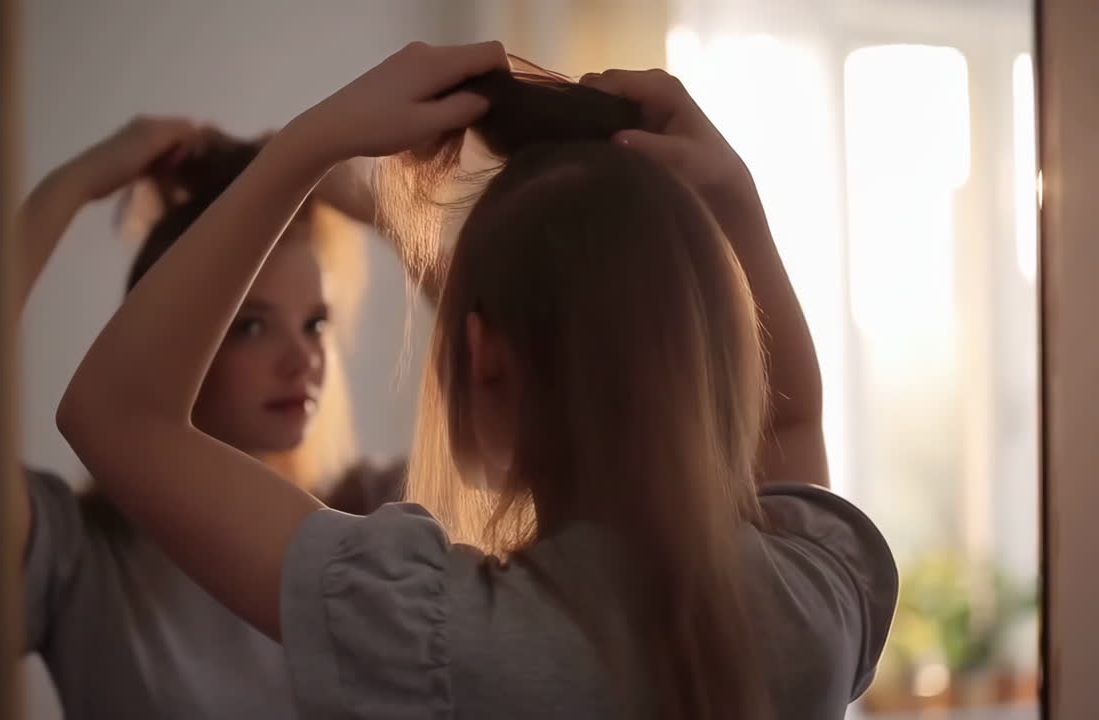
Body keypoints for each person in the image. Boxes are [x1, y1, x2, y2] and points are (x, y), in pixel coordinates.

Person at [57, 41, 898, 719]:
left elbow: (113, 414)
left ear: (483, 357)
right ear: (710, 345)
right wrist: (737, 199)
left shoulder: (438, 634)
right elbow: (789, 424)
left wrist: (307, 147)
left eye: (314, 323)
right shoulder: (818, 600)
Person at [18, 120, 403, 719]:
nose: (303, 359)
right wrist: (71, 186)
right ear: (163, 342)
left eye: (315, 324)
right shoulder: (76, 550)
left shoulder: (371, 513)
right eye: (251, 326)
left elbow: (520, 375)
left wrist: (367, 201)